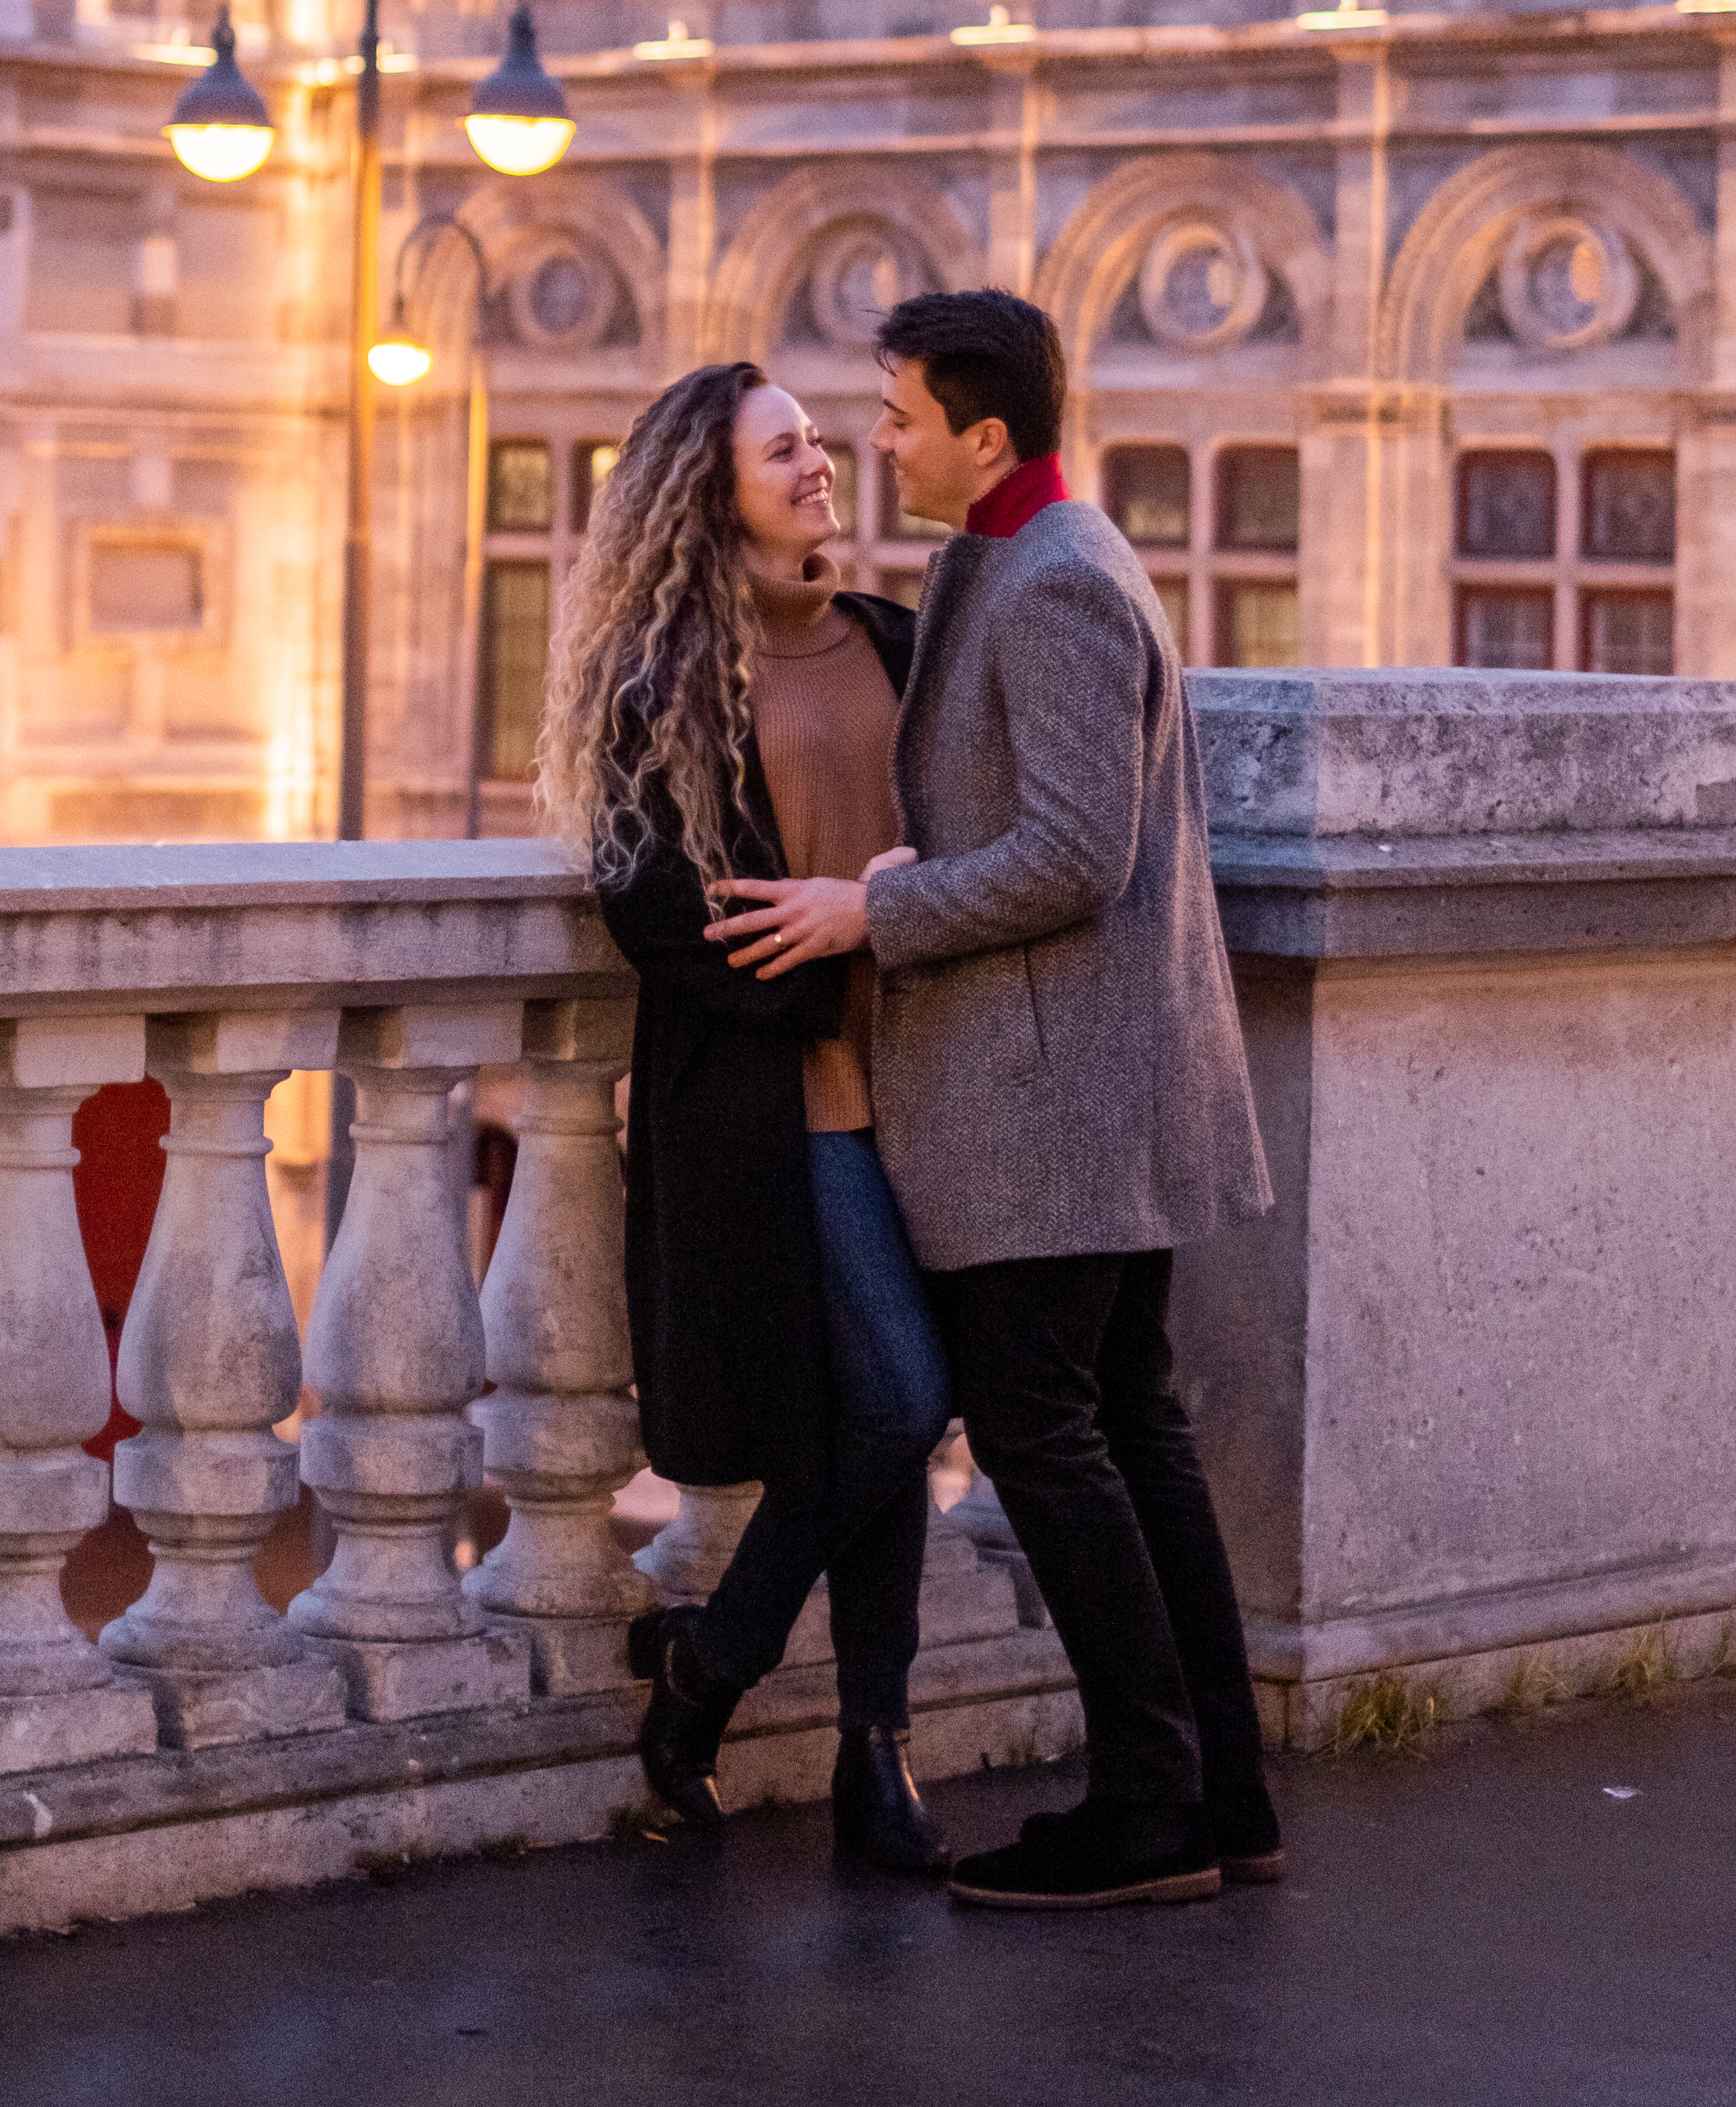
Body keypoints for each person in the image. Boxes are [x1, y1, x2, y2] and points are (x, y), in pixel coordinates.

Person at [712, 284, 1280, 1914]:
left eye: (893, 418)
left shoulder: (1053, 586)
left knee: (1050, 1432)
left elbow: (1073, 856)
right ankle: (1220, 1792)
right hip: (1086, 1088)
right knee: (1128, 1427)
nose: (873, 443)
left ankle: (1151, 1806)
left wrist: (868, 909)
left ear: (983, 434)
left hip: (1052, 1102)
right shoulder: (1026, 558)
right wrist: (924, 862)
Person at [538, 357, 954, 1877]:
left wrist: (893, 905)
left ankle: (863, 1750)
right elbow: (648, 902)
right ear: (706, 490)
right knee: (898, 1404)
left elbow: (965, 844)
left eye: (820, 444)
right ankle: (716, 1674)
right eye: (783, 450)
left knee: (882, 1424)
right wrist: (815, 955)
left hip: (924, 1084)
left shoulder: (898, 644)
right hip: (782, 1106)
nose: (820, 465)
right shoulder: (661, 689)